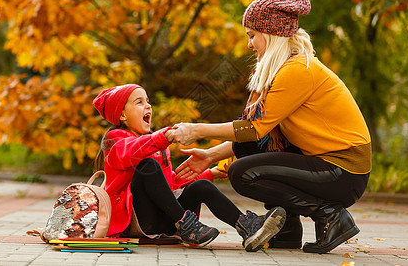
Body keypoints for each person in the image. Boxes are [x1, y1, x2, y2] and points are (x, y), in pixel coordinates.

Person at [168, 0, 371, 254]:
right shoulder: (285, 69)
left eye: (252, 35)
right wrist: (210, 155)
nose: (249, 44)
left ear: (272, 34)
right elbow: (255, 136)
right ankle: (287, 230)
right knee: (252, 151)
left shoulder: (297, 70)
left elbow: (253, 128)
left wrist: (196, 129)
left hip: (343, 170)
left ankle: (331, 216)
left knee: (243, 173)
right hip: (324, 164)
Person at [92, 84, 287, 251]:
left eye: (148, 101)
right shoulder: (115, 140)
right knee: (147, 164)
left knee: (201, 186)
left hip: (167, 220)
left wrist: (210, 174)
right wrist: (162, 137)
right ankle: (187, 226)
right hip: (139, 221)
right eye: (139, 102)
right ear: (123, 115)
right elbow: (130, 152)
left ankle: (247, 226)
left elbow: (168, 188)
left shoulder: (155, 146)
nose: (148, 105)